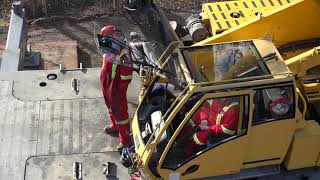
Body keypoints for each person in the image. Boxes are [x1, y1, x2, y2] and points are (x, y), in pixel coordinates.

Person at [99, 24, 133, 150]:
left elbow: (126, 76)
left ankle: (125, 140)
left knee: (120, 113)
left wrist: (118, 91)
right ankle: (114, 125)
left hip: (116, 88)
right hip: (107, 83)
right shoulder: (109, 47)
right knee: (110, 107)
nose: (103, 41)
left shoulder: (124, 54)